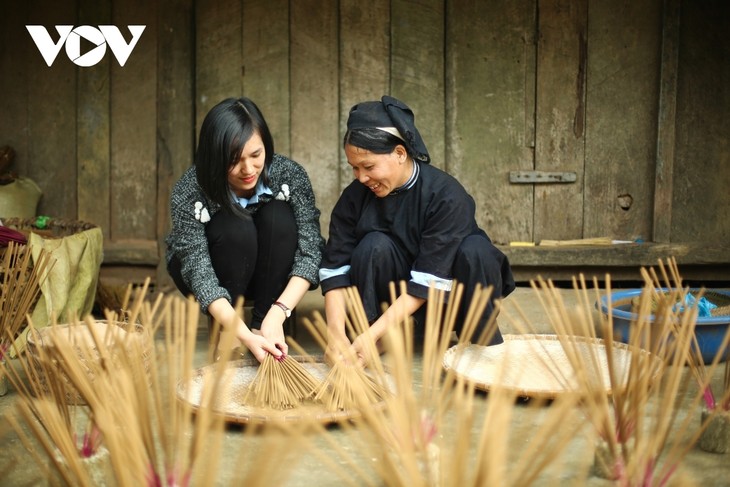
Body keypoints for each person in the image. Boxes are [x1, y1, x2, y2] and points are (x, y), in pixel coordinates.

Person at [319, 95, 515, 366]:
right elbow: (335, 270)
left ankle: (479, 340)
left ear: (400, 153)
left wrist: (367, 335)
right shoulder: (355, 197)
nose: (361, 177)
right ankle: (381, 335)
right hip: (396, 300)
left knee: (475, 251)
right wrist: (336, 335)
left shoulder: (446, 195)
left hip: (448, 298)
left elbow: (429, 279)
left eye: (369, 167)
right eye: (354, 168)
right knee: (373, 244)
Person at [166, 97, 324, 362]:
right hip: (213, 273)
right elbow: (198, 270)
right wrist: (239, 334)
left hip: (273, 275)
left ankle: (263, 327)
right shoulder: (189, 190)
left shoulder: (289, 175)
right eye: (234, 160)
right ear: (214, 157)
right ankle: (227, 336)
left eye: (256, 154)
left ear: (266, 145)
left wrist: (277, 313)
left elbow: (311, 251)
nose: (248, 169)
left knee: (279, 216)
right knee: (235, 227)